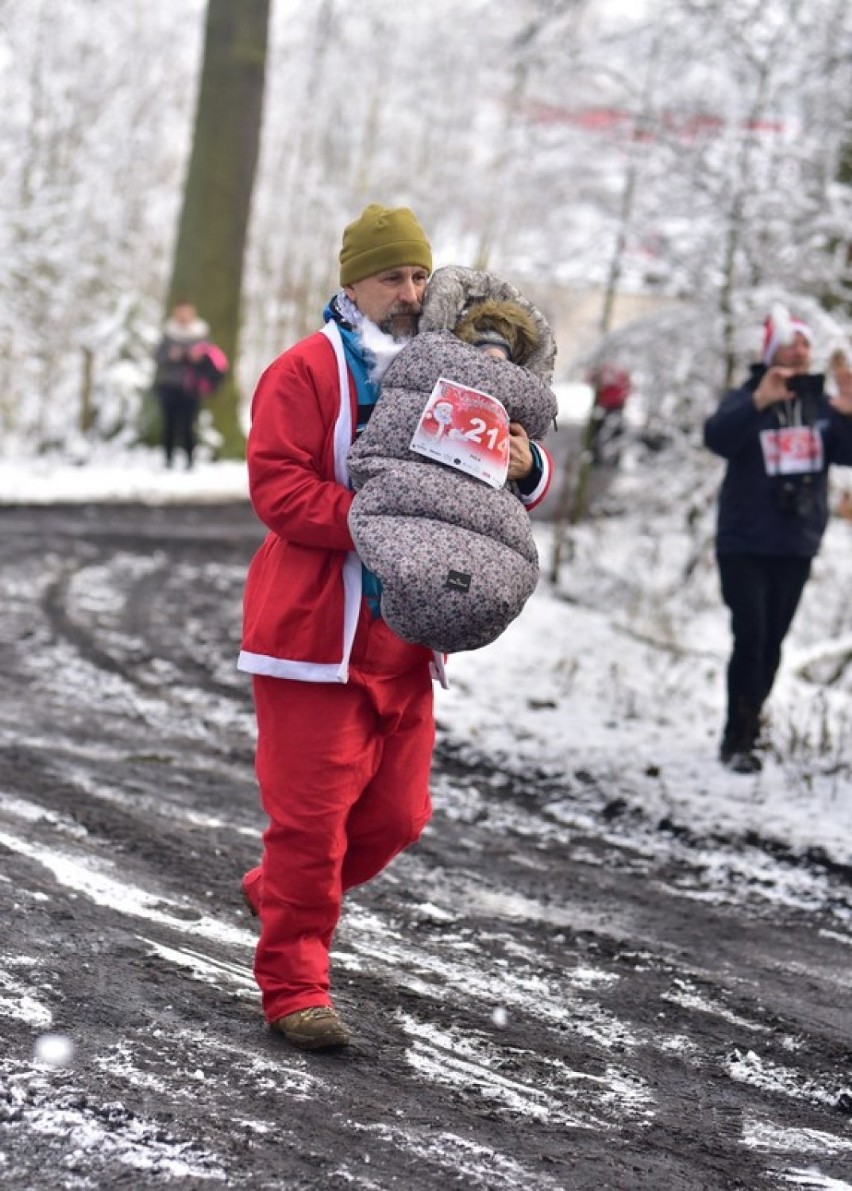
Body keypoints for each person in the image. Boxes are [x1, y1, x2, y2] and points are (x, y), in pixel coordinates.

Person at [236, 205, 550, 1051]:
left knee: (397, 817)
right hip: (313, 635)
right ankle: (294, 985)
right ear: (351, 284)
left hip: (407, 637)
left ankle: (282, 893)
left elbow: (481, 496)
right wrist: (383, 521)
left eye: (418, 276)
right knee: (311, 822)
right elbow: (278, 489)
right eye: (390, 277)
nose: (409, 293)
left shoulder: (449, 374)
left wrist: (528, 467)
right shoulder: (304, 371)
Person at [704, 306, 852, 774]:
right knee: (750, 636)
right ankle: (737, 738)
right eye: (790, 341)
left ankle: (752, 725)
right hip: (744, 541)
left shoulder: (822, 406)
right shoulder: (746, 396)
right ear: (771, 351)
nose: (799, 348)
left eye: (806, 343)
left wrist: (849, 415)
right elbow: (717, 438)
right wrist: (757, 404)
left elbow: (846, 454)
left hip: (796, 543)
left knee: (772, 643)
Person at [153, 299, 210, 469]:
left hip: (191, 388)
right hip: (169, 386)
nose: (184, 316)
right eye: (181, 312)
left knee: (189, 425)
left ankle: (190, 461)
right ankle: (168, 459)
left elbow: (211, 360)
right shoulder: (168, 334)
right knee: (169, 424)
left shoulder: (201, 335)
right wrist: (171, 356)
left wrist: (198, 358)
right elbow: (157, 357)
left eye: (188, 312)